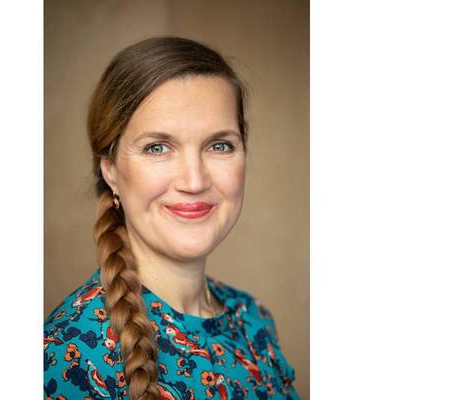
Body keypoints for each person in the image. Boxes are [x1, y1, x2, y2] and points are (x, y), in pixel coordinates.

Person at [44, 36, 300, 400]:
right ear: (110, 170)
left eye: (219, 145)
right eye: (157, 147)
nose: (194, 181)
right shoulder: (68, 355)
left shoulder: (253, 320)